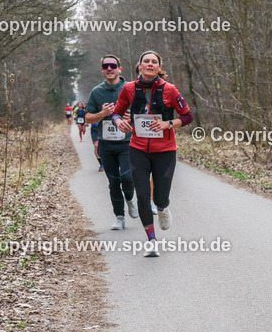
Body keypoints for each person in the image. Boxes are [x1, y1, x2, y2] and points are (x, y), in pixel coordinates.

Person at [110, 50, 193, 257]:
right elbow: (117, 112)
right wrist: (118, 121)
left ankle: (163, 208)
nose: (149, 64)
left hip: (165, 151)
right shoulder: (129, 88)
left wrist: (168, 123)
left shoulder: (170, 90)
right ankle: (151, 241)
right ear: (139, 66)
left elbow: (188, 116)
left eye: (153, 62)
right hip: (138, 149)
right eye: (145, 61)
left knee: (159, 197)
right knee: (143, 197)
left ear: (158, 67)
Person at [83, 55, 137, 230]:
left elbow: (145, 111)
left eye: (113, 65)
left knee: (127, 177)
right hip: (106, 143)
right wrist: (102, 114)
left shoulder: (130, 88)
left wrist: (132, 117)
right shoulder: (96, 92)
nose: (109, 68)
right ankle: (119, 217)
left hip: (127, 142)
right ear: (102, 70)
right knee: (113, 182)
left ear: (119, 69)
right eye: (106, 66)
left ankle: (129, 197)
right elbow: (88, 118)